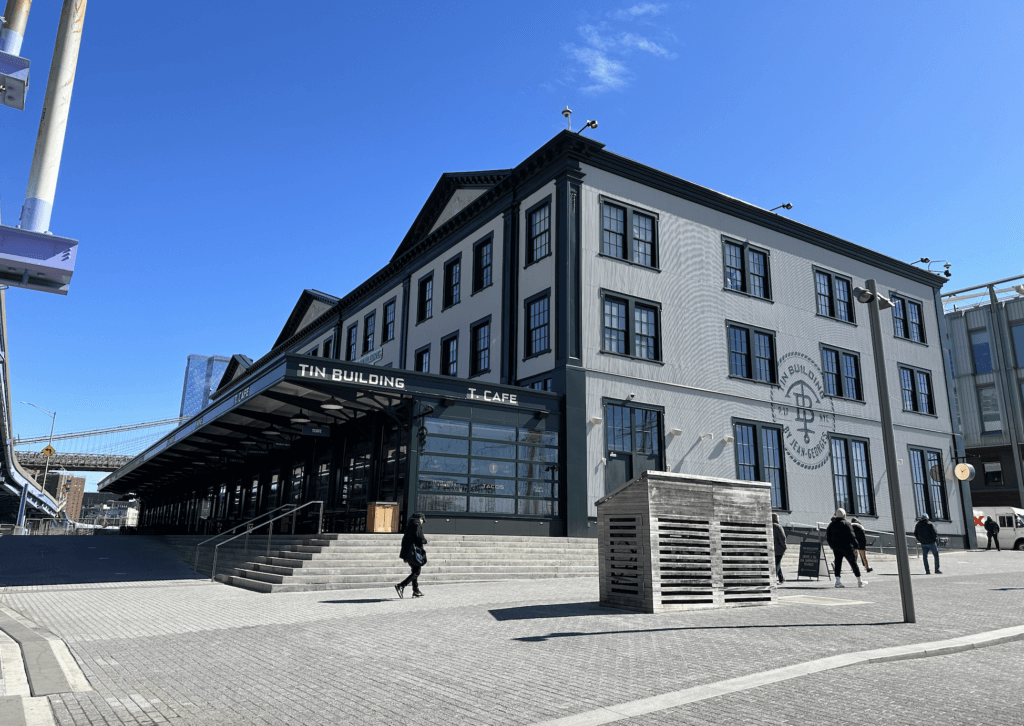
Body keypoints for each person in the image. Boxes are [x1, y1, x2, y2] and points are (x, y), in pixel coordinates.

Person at [825, 508, 866, 588]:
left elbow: (828, 536)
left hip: (836, 547)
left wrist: (832, 545)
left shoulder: (831, 524)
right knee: (853, 563)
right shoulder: (846, 524)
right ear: (844, 515)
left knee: (838, 563)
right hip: (847, 547)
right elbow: (852, 536)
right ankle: (859, 581)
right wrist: (856, 545)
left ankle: (838, 581)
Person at [395, 512, 427, 598]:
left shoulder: (409, 525)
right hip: (414, 553)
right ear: (420, 518)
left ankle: (416, 590)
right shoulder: (417, 525)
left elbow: (404, 540)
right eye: (422, 520)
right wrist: (425, 541)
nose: (422, 522)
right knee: (417, 571)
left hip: (408, 552)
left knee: (414, 570)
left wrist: (404, 556)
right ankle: (401, 585)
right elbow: (419, 538)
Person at [772, 513, 787, 584]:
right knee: (777, 564)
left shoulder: (769, 526)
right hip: (779, 548)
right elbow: (782, 538)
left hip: (772, 548)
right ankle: (773, 580)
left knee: (777, 563)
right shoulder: (778, 527)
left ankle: (781, 578)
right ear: (776, 519)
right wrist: (784, 546)